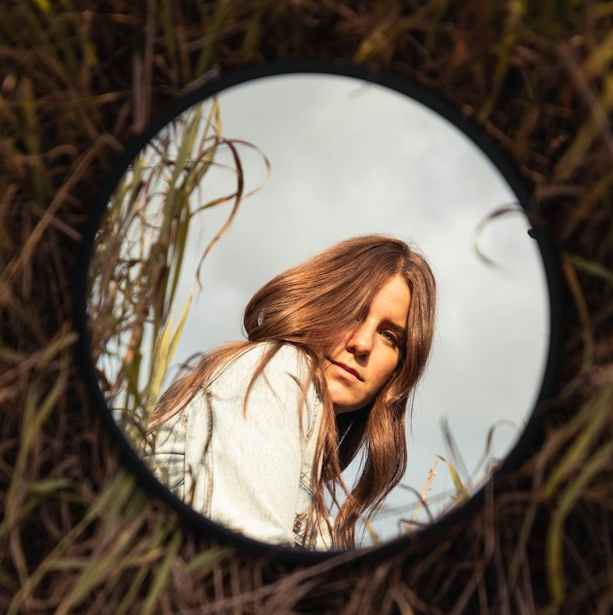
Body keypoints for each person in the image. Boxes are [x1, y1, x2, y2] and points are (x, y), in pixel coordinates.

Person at [145, 234, 437, 549]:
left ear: (399, 366)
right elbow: (249, 559)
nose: (363, 344)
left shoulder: (310, 469)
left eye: (389, 336)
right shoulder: (273, 371)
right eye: (354, 312)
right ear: (319, 304)